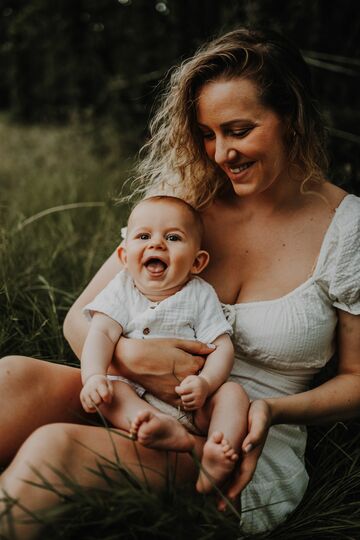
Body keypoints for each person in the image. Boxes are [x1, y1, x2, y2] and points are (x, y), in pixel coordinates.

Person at [0, 26, 359, 540]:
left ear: (292, 118)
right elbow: (81, 318)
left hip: (232, 446)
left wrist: (270, 409)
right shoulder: (184, 206)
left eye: (238, 131)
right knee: (11, 379)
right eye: (207, 135)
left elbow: (357, 378)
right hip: (132, 399)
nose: (219, 154)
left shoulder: (347, 230)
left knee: (55, 450)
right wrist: (130, 357)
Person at [79, 195, 248, 493]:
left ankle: (217, 451)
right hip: (136, 398)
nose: (156, 244)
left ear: (197, 262)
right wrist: (93, 376)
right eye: (144, 236)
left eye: (172, 237)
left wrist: (207, 384)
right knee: (110, 393)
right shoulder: (121, 289)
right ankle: (156, 426)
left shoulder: (200, 294)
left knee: (233, 394)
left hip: (193, 402)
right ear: (124, 256)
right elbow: (101, 334)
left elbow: (222, 346)